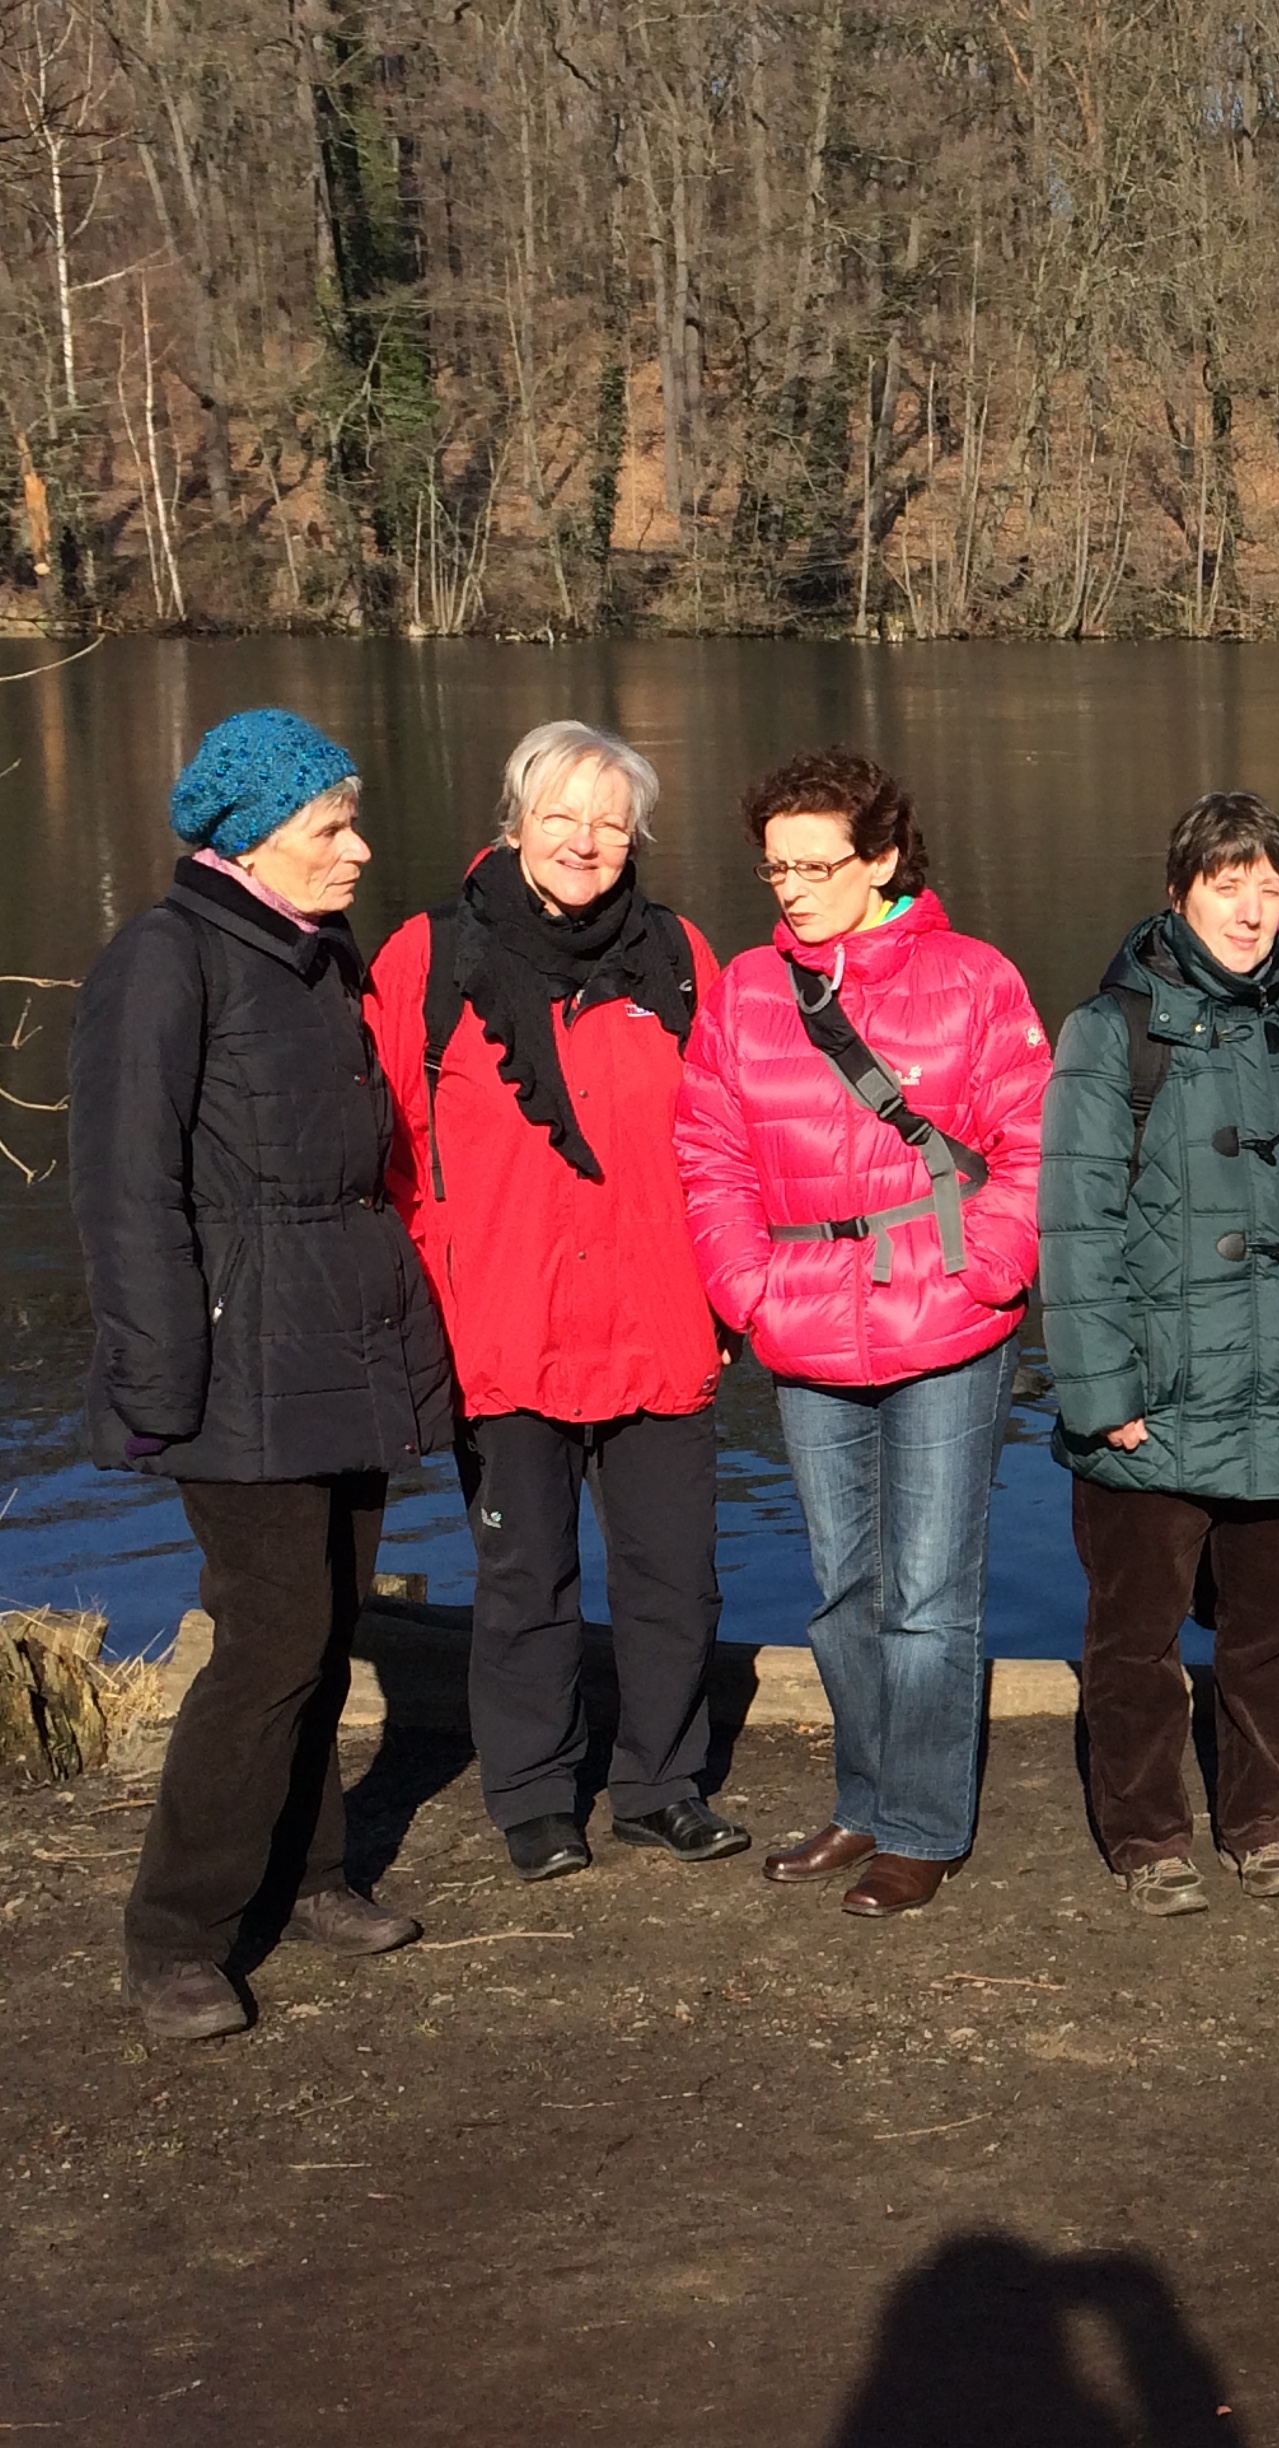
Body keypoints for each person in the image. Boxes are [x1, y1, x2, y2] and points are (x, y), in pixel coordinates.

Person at [71, 709, 454, 2040]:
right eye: (330, 827)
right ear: (248, 839)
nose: (359, 848)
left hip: (341, 1341)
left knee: (328, 1628)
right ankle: (174, 1933)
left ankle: (311, 1875)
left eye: (352, 820)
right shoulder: (164, 960)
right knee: (270, 1642)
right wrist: (157, 1383)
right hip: (235, 1364)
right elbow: (127, 1195)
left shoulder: (315, 956)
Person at [368, 721, 747, 1885]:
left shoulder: (679, 955)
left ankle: (660, 1786)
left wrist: (728, 1295)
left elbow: (727, 1139)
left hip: (659, 1321)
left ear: (637, 836)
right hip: (503, 1328)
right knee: (523, 1577)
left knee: (674, 1578)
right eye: (560, 816)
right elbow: (391, 1152)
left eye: (609, 822)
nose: (584, 841)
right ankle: (534, 1795)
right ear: (515, 821)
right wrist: (434, 1297)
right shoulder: (430, 957)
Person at [674, 750, 1049, 1918]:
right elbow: (708, 1149)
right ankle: (867, 1798)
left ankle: (923, 1828)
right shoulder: (746, 991)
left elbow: (1036, 1138)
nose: (790, 890)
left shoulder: (974, 977)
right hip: (802, 1319)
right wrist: (744, 1286)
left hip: (948, 1318)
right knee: (842, 1590)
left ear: (880, 860)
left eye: (814, 866)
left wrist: (990, 1266)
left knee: (929, 1594)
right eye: (775, 868)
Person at [1040, 796, 1279, 1917]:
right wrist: (1103, 1394)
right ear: (1179, 891)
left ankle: (1261, 1822)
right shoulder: (1112, 1030)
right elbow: (1076, 1226)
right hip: (1158, 1399)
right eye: (1224, 884)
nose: (1248, 910)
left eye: (1266, 888)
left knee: (1269, 1637)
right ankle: (1148, 1836)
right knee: (1135, 1644)